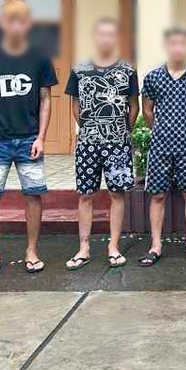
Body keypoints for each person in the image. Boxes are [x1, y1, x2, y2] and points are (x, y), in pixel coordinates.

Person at [0, 0, 57, 276]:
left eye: (22, 20)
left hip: (30, 139)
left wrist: (41, 137)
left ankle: (32, 250)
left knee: (34, 195)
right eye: (11, 19)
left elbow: (46, 99)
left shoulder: (40, 56)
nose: (16, 25)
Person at [64, 18, 139, 270]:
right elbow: (75, 104)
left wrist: (123, 131)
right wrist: (89, 128)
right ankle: (84, 247)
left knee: (117, 193)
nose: (106, 39)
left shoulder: (128, 70)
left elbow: (134, 105)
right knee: (86, 194)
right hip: (88, 143)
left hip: (118, 144)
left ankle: (113, 247)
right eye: (101, 34)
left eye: (111, 35)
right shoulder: (79, 70)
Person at [140, 25, 186, 266]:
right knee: (158, 194)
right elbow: (147, 110)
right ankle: (155, 245)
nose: (178, 48)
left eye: (182, 43)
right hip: (160, 146)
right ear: (166, 46)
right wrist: (161, 131)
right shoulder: (153, 77)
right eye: (173, 43)